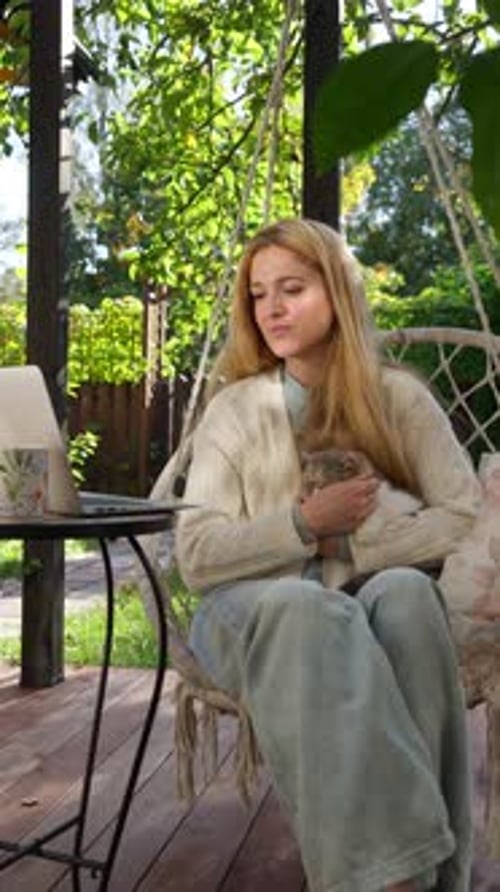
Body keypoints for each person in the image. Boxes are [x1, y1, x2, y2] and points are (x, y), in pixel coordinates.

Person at [175, 218, 482, 892]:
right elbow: (195, 555)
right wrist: (303, 524)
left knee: (408, 597)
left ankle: (417, 876)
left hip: (360, 597)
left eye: (292, 289)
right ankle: (403, 878)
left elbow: (464, 514)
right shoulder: (234, 409)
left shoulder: (397, 397)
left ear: (338, 293)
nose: (272, 309)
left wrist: (357, 539)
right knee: (306, 607)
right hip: (250, 613)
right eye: (259, 294)